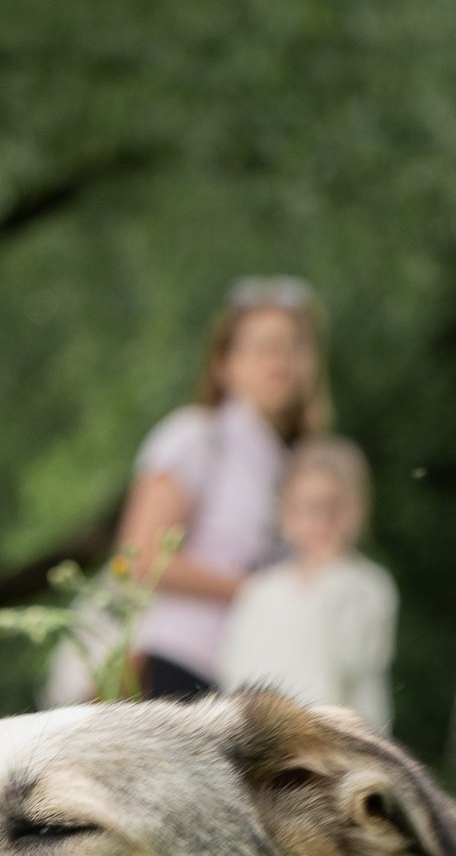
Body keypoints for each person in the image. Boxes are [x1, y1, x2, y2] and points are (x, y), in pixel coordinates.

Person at [118, 279, 327, 700]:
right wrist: (255, 591)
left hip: (246, 674)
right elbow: (139, 559)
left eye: (292, 346)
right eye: (264, 347)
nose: (280, 361)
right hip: (176, 662)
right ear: (224, 364)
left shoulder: (292, 464)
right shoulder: (195, 437)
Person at [222, 436, 397, 732]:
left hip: (344, 745)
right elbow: (235, 673)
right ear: (285, 514)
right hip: (272, 745)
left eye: (334, 507)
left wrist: (333, 575)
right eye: (308, 508)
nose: (322, 521)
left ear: (357, 511)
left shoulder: (369, 586)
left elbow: (356, 657)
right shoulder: (260, 591)